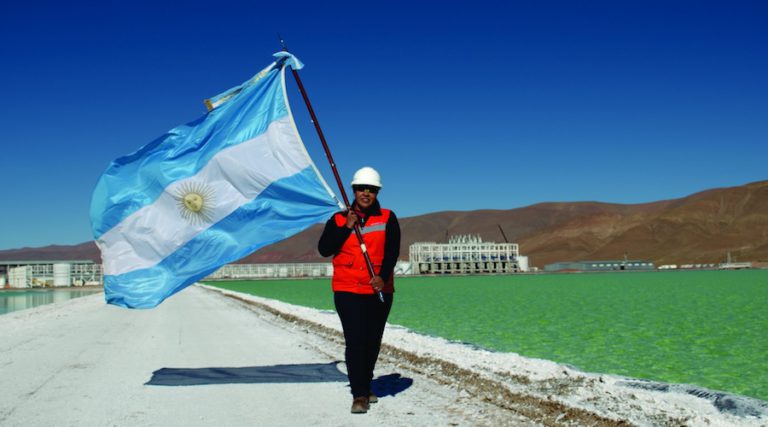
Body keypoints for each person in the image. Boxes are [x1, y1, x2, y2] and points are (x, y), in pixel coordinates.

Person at [318, 166, 401, 414]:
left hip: (379, 290)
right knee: (356, 341)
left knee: (372, 341)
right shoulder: (338, 219)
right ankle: (360, 395)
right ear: (353, 190)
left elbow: (392, 252)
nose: (366, 193)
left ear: (377, 192)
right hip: (347, 290)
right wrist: (345, 227)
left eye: (372, 189)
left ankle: (365, 383)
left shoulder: (388, 217)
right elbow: (324, 249)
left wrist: (382, 277)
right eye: (362, 189)